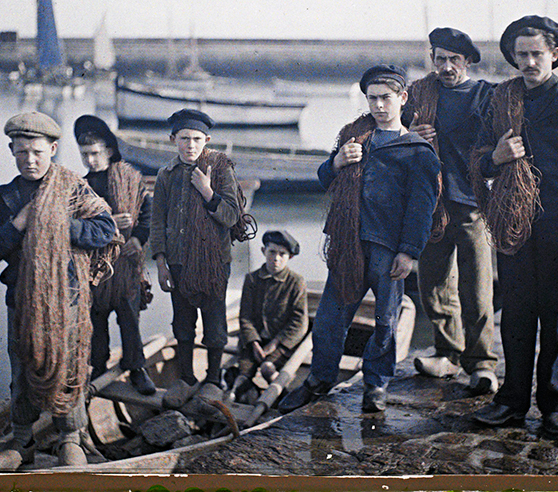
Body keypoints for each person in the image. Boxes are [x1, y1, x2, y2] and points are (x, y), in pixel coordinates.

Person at [469, 16, 558, 437]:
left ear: (554, 55)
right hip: (514, 226)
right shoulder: (499, 101)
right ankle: (511, 402)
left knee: (555, 319)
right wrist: (496, 156)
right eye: (520, 54)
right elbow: (476, 158)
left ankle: (553, 406)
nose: (528, 62)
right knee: (515, 319)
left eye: (536, 54)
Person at [278, 65, 441, 414]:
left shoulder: (417, 151)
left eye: (386, 98)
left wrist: (409, 252)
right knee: (328, 320)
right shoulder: (355, 138)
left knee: (385, 321)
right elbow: (324, 179)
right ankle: (319, 380)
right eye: (373, 99)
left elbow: (421, 208)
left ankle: (376, 384)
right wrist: (336, 161)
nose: (379, 106)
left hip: (387, 250)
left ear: (403, 98)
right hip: (348, 245)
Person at [0, 112, 118, 469]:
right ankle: (22, 442)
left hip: (67, 300)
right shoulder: (5, 197)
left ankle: (70, 438)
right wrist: (21, 221)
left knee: (69, 366)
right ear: (11, 150)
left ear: (53, 149)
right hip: (22, 302)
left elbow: (105, 229)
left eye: (38, 151)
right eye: (22, 151)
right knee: (23, 368)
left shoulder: (72, 188)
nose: (30, 160)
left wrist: (58, 223)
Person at [405, 27, 498, 394]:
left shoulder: (484, 95)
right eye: (440, 58)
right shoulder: (419, 96)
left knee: (477, 289)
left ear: (468, 61)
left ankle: (482, 363)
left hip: (472, 204)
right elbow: (394, 131)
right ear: (432, 59)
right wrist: (412, 133)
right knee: (434, 283)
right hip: (432, 204)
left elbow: (497, 145)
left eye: (454, 59)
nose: (446, 66)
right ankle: (447, 353)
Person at [150, 108, 242, 408]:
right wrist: (161, 262)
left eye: (197, 139)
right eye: (185, 138)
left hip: (213, 263)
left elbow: (230, 216)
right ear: (173, 139)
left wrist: (207, 191)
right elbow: (157, 221)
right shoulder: (166, 175)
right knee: (183, 322)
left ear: (207, 140)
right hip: (177, 262)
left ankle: (213, 380)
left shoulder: (221, 169)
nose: (191, 145)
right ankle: (186, 377)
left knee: (215, 323)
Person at [74, 115, 156, 396]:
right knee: (95, 322)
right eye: (85, 155)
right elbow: (78, 223)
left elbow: (148, 216)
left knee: (129, 318)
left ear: (108, 150)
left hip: (126, 265)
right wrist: (109, 222)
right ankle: (97, 368)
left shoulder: (131, 180)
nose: (90, 160)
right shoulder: (80, 187)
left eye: (95, 153)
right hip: (96, 267)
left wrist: (136, 237)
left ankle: (136, 368)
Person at [225, 230, 309, 403]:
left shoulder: (296, 282)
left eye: (282, 254)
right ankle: (239, 396)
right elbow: (245, 317)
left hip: (282, 342)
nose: (276, 258)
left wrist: (275, 343)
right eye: (272, 252)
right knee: (243, 373)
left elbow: (299, 322)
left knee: (268, 369)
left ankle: (284, 399)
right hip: (253, 342)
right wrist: (254, 342)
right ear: (264, 251)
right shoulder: (252, 279)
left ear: (290, 257)